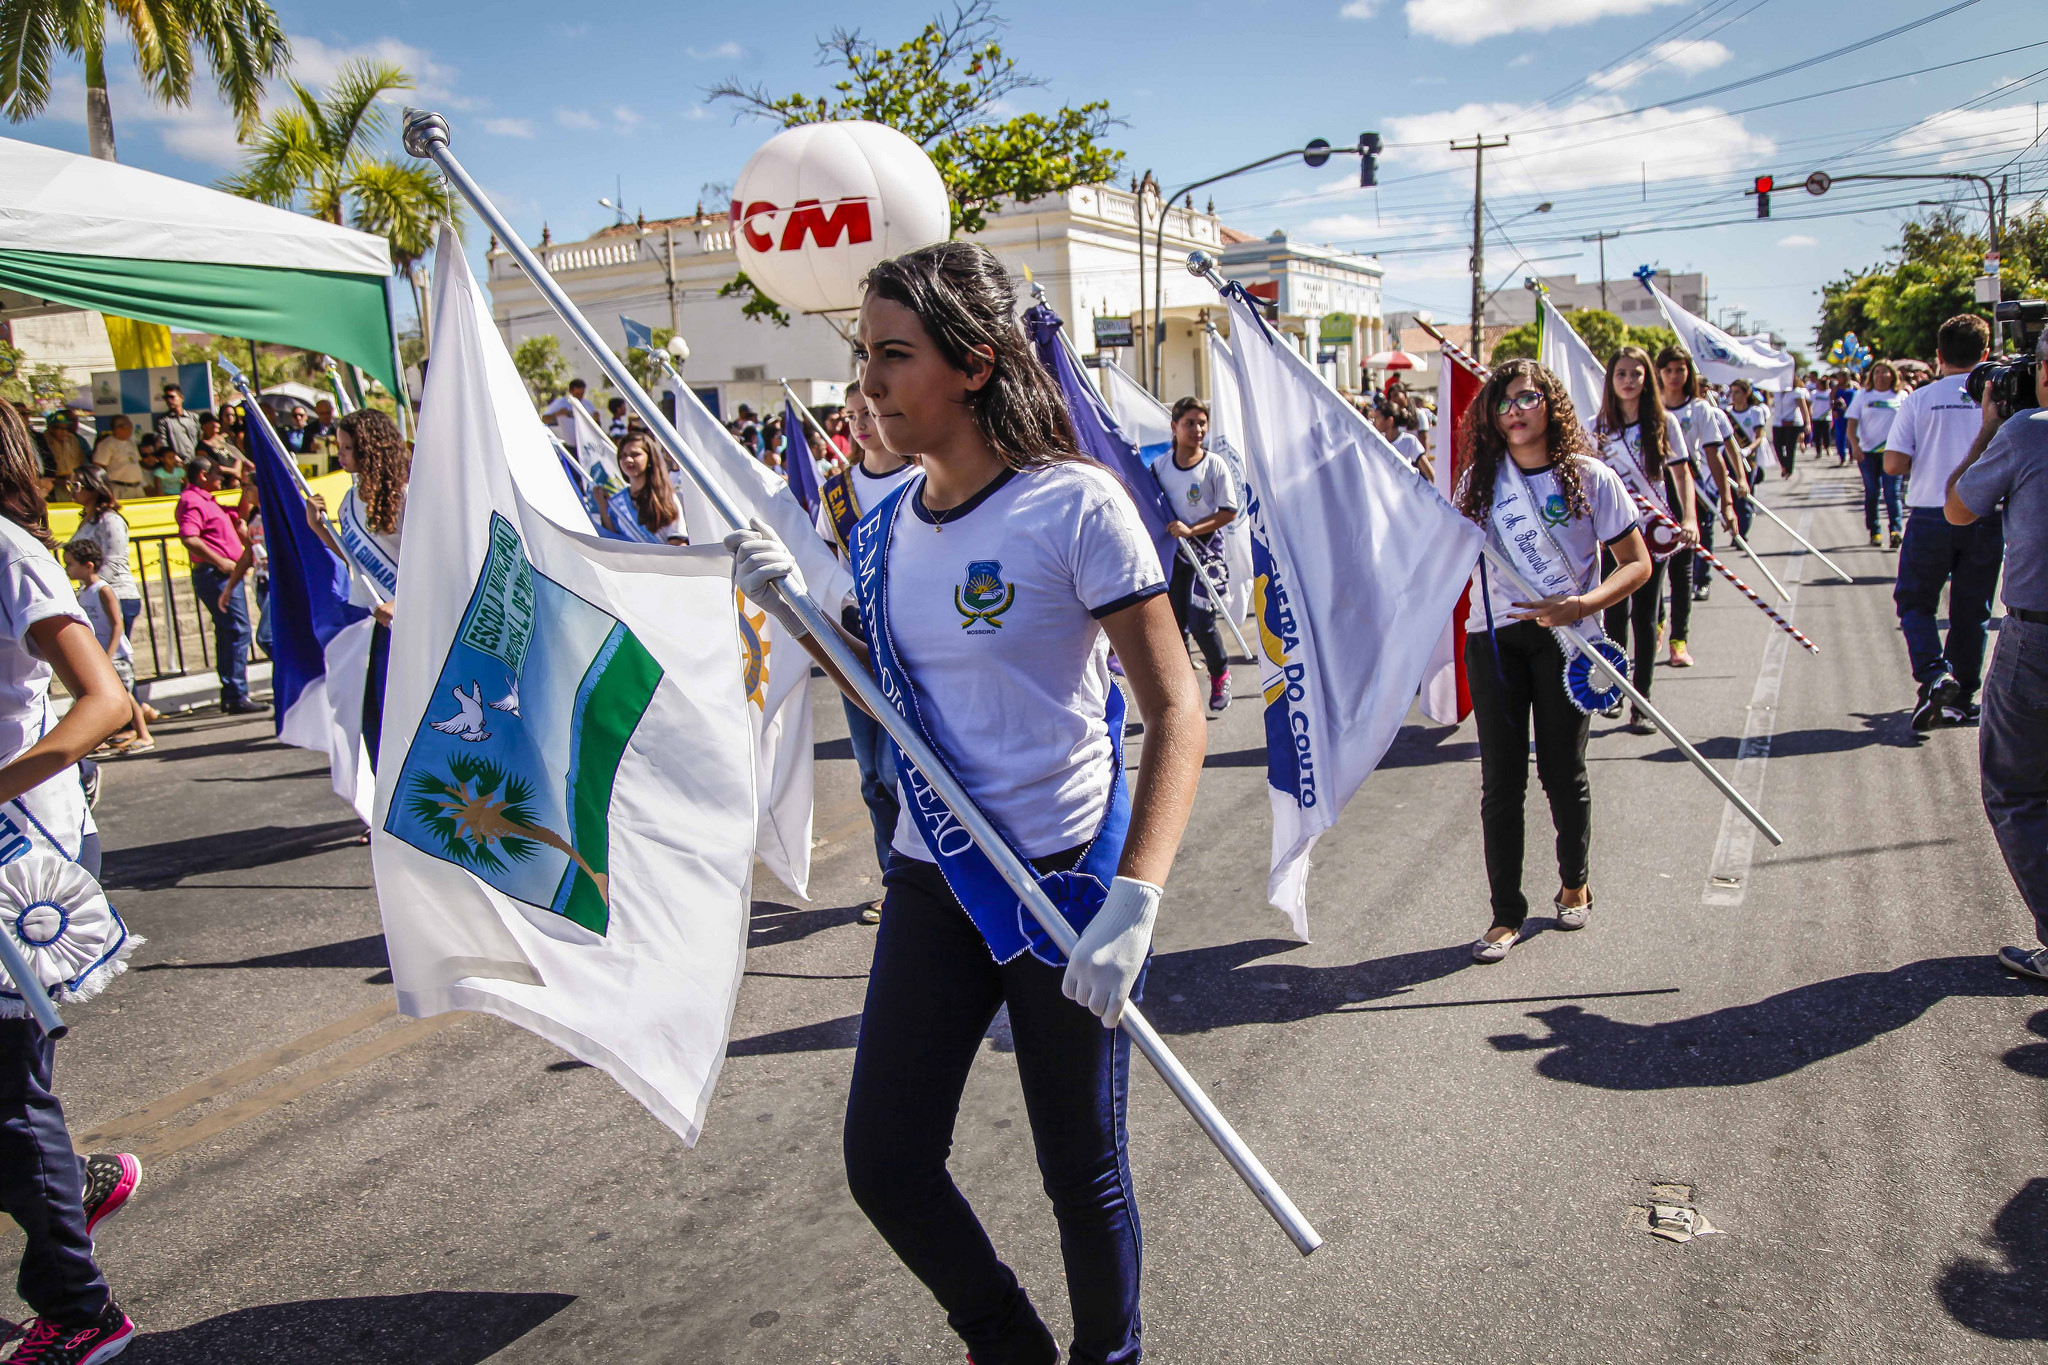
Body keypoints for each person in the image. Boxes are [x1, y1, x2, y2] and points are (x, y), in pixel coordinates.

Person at [727, 241, 1205, 1365]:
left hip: (1064, 884)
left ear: (974, 365)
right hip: (935, 877)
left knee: (1077, 1170)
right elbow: (889, 701)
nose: (872, 383)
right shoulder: (886, 522)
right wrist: (796, 612)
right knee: (885, 1162)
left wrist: (1134, 902)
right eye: (864, 356)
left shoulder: (1073, 508)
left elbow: (1176, 711)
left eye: (894, 355)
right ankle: (1011, 1348)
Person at [0, 403, 143, 1365]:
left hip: (20, 862)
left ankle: (81, 1312)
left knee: (7, 1093)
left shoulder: (10, 552)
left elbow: (108, 700)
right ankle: (72, 1182)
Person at [1458, 359, 1650, 961]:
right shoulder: (1479, 482)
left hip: (1568, 641)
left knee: (1562, 772)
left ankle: (1574, 883)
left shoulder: (1591, 478)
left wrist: (1582, 604)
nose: (1513, 411)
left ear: (1551, 405)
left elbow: (1637, 563)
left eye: (1526, 398)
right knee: (1501, 780)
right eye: (1503, 402)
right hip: (1492, 639)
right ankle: (1505, 914)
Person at [1943, 335, 2048, 981]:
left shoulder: (2030, 431)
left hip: (2037, 635)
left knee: (2015, 789)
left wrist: (1988, 427)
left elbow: (1958, 507)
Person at [815, 384, 921, 925]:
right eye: (851, 416)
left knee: (900, 765)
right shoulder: (836, 493)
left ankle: (928, 872)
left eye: (868, 413)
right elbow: (823, 563)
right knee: (871, 775)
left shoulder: (920, 479)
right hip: (855, 637)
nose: (860, 423)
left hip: (907, 633)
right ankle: (895, 881)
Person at [1887, 313, 2000, 731]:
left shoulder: (1919, 398)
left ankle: (1935, 675)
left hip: (1931, 513)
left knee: (1915, 602)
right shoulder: (2000, 396)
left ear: (1938, 355)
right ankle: (1961, 695)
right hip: (1984, 513)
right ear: (1984, 354)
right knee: (1973, 611)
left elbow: (1895, 463)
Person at [1590, 346, 1687, 730]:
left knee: (1645, 618)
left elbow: (1681, 475)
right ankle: (1615, 691)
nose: (1629, 381)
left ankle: (1642, 702)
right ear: (1611, 381)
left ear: (1648, 378)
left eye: (1636, 373)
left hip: (1653, 532)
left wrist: (1690, 517)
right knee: (1614, 614)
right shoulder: (1597, 428)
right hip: (1613, 534)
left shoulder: (1664, 424)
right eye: (1621, 374)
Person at [307, 410, 407, 772]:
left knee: (402, 718)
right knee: (371, 719)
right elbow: (354, 560)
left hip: (408, 624)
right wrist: (319, 528)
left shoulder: (407, 495)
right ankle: (384, 814)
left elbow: (432, 558)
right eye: (339, 447)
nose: (341, 455)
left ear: (370, 449)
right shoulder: (349, 500)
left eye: (348, 448)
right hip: (369, 624)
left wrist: (400, 601)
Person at [1152, 396, 1238, 714]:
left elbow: (1229, 511)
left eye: (1202, 423)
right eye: (1190, 423)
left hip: (1206, 553)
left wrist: (1193, 530)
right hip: (1173, 554)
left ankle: (1220, 674)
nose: (1198, 429)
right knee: (1175, 625)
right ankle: (1183, 693)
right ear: (1174, 427)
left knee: (1202, 622)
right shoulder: (1160, 466)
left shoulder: (1214, 465)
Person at [1657, 347, 1738, 633]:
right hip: (1656, 489)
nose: (1674, 376)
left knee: (1688, 554)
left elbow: (1715, 456)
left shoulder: (1700, 408)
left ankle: (1698, 588)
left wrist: (1727, 503)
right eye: (1668, 370)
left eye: (1680, 369)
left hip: (1692, 484)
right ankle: (1658, 620)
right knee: (1655, 561)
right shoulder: (1651, 408)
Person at [175, 454, 263, 714]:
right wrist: (222, 562)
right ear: (203, 475)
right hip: (216, 574)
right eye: (218, 475)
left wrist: (246, 483)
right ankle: (236, 693)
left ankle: (233, 692)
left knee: (230, 632)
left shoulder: (207, 500)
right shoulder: (192, 500)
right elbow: (190, 537)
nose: (223, 480)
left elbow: (241, 513)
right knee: (237, 631)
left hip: (220, 573)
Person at [63, 539, 151, 755]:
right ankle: (97, 740)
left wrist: (109, 654)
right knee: (95, 695)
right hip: (99, 654)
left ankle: (144, 734)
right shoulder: (84, 592)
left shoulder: (103, 590)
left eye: (71, 564)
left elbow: (117, 623)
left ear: (88, 565)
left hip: (114, 655)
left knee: (124, 693)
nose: (67, 569)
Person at [66, 467, 142, 672]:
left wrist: (93, 587)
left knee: (115, 662)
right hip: (93, 598)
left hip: (117, 595)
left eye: (76, 485)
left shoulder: (111, 520)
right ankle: (138, 706)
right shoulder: (86, 520)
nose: (71, 489)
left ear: (94, 488)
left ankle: (132, 704)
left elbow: (114, 562)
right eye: (69, 485)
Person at [1847, 360, 1906, 548]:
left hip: (1893, 452)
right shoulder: (1862, 396)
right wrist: (1855, 446)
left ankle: (1896, 530)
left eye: (1885, 372)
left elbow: (1910, 424)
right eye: (1877, 372)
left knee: (1892, 493)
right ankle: (1875, 531)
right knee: (1872, 492)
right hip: (1868, 453)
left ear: (1893, 375)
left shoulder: (1901, 396)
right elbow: (1852, 425)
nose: (1880, 376)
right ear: (1871, 376)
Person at [599, 432, 686, 544]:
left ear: (649, 458)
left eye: (635, 454)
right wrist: (602, 506)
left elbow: (677, 543)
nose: (628, 460)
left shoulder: (666, 498)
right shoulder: (617, 502)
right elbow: (611, 542)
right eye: (623, 455)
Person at [89, 415, 146, 503]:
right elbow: (98, 466)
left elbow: (136, 463)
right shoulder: (107, 443)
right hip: (119, 488)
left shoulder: (131, 442)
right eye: (129, 425)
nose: (131, 428)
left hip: (137, 488)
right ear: (119, 427)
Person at [541, 379, 595, 455]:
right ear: (571, 391)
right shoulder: (561, 403)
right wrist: (557, 414)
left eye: (582, 394)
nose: (580, 397)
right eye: (577, 394)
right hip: (570, 447)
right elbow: (544, 419)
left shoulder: (588, 404)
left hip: (587, 446)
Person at [1770, 380, 1809, 479]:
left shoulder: (1797, 392)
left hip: (1792, 423)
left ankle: (1788, 469)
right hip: (1778, 423)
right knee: (1777, 445)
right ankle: (1784, 465)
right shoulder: (1777, 392)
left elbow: (1803, 409)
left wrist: (1807, 423)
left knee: (1789, 447)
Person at [39, 410, 88, 485]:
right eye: (59, 428)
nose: (63, 431)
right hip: (53, 482)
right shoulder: (43, 441)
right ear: (50, 428)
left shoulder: (72, 439)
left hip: (72, 479)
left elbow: (80, 459)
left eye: (65, 428)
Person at [155, 383, 200, 462]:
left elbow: (201, 438)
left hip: (197, 463)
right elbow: (163, 443)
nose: (168, 400)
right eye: (166, 398)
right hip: (176, 464)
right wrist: (174, 459)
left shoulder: (194, 418)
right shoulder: (163, 421)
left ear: (181, 398)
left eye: (172, 397)